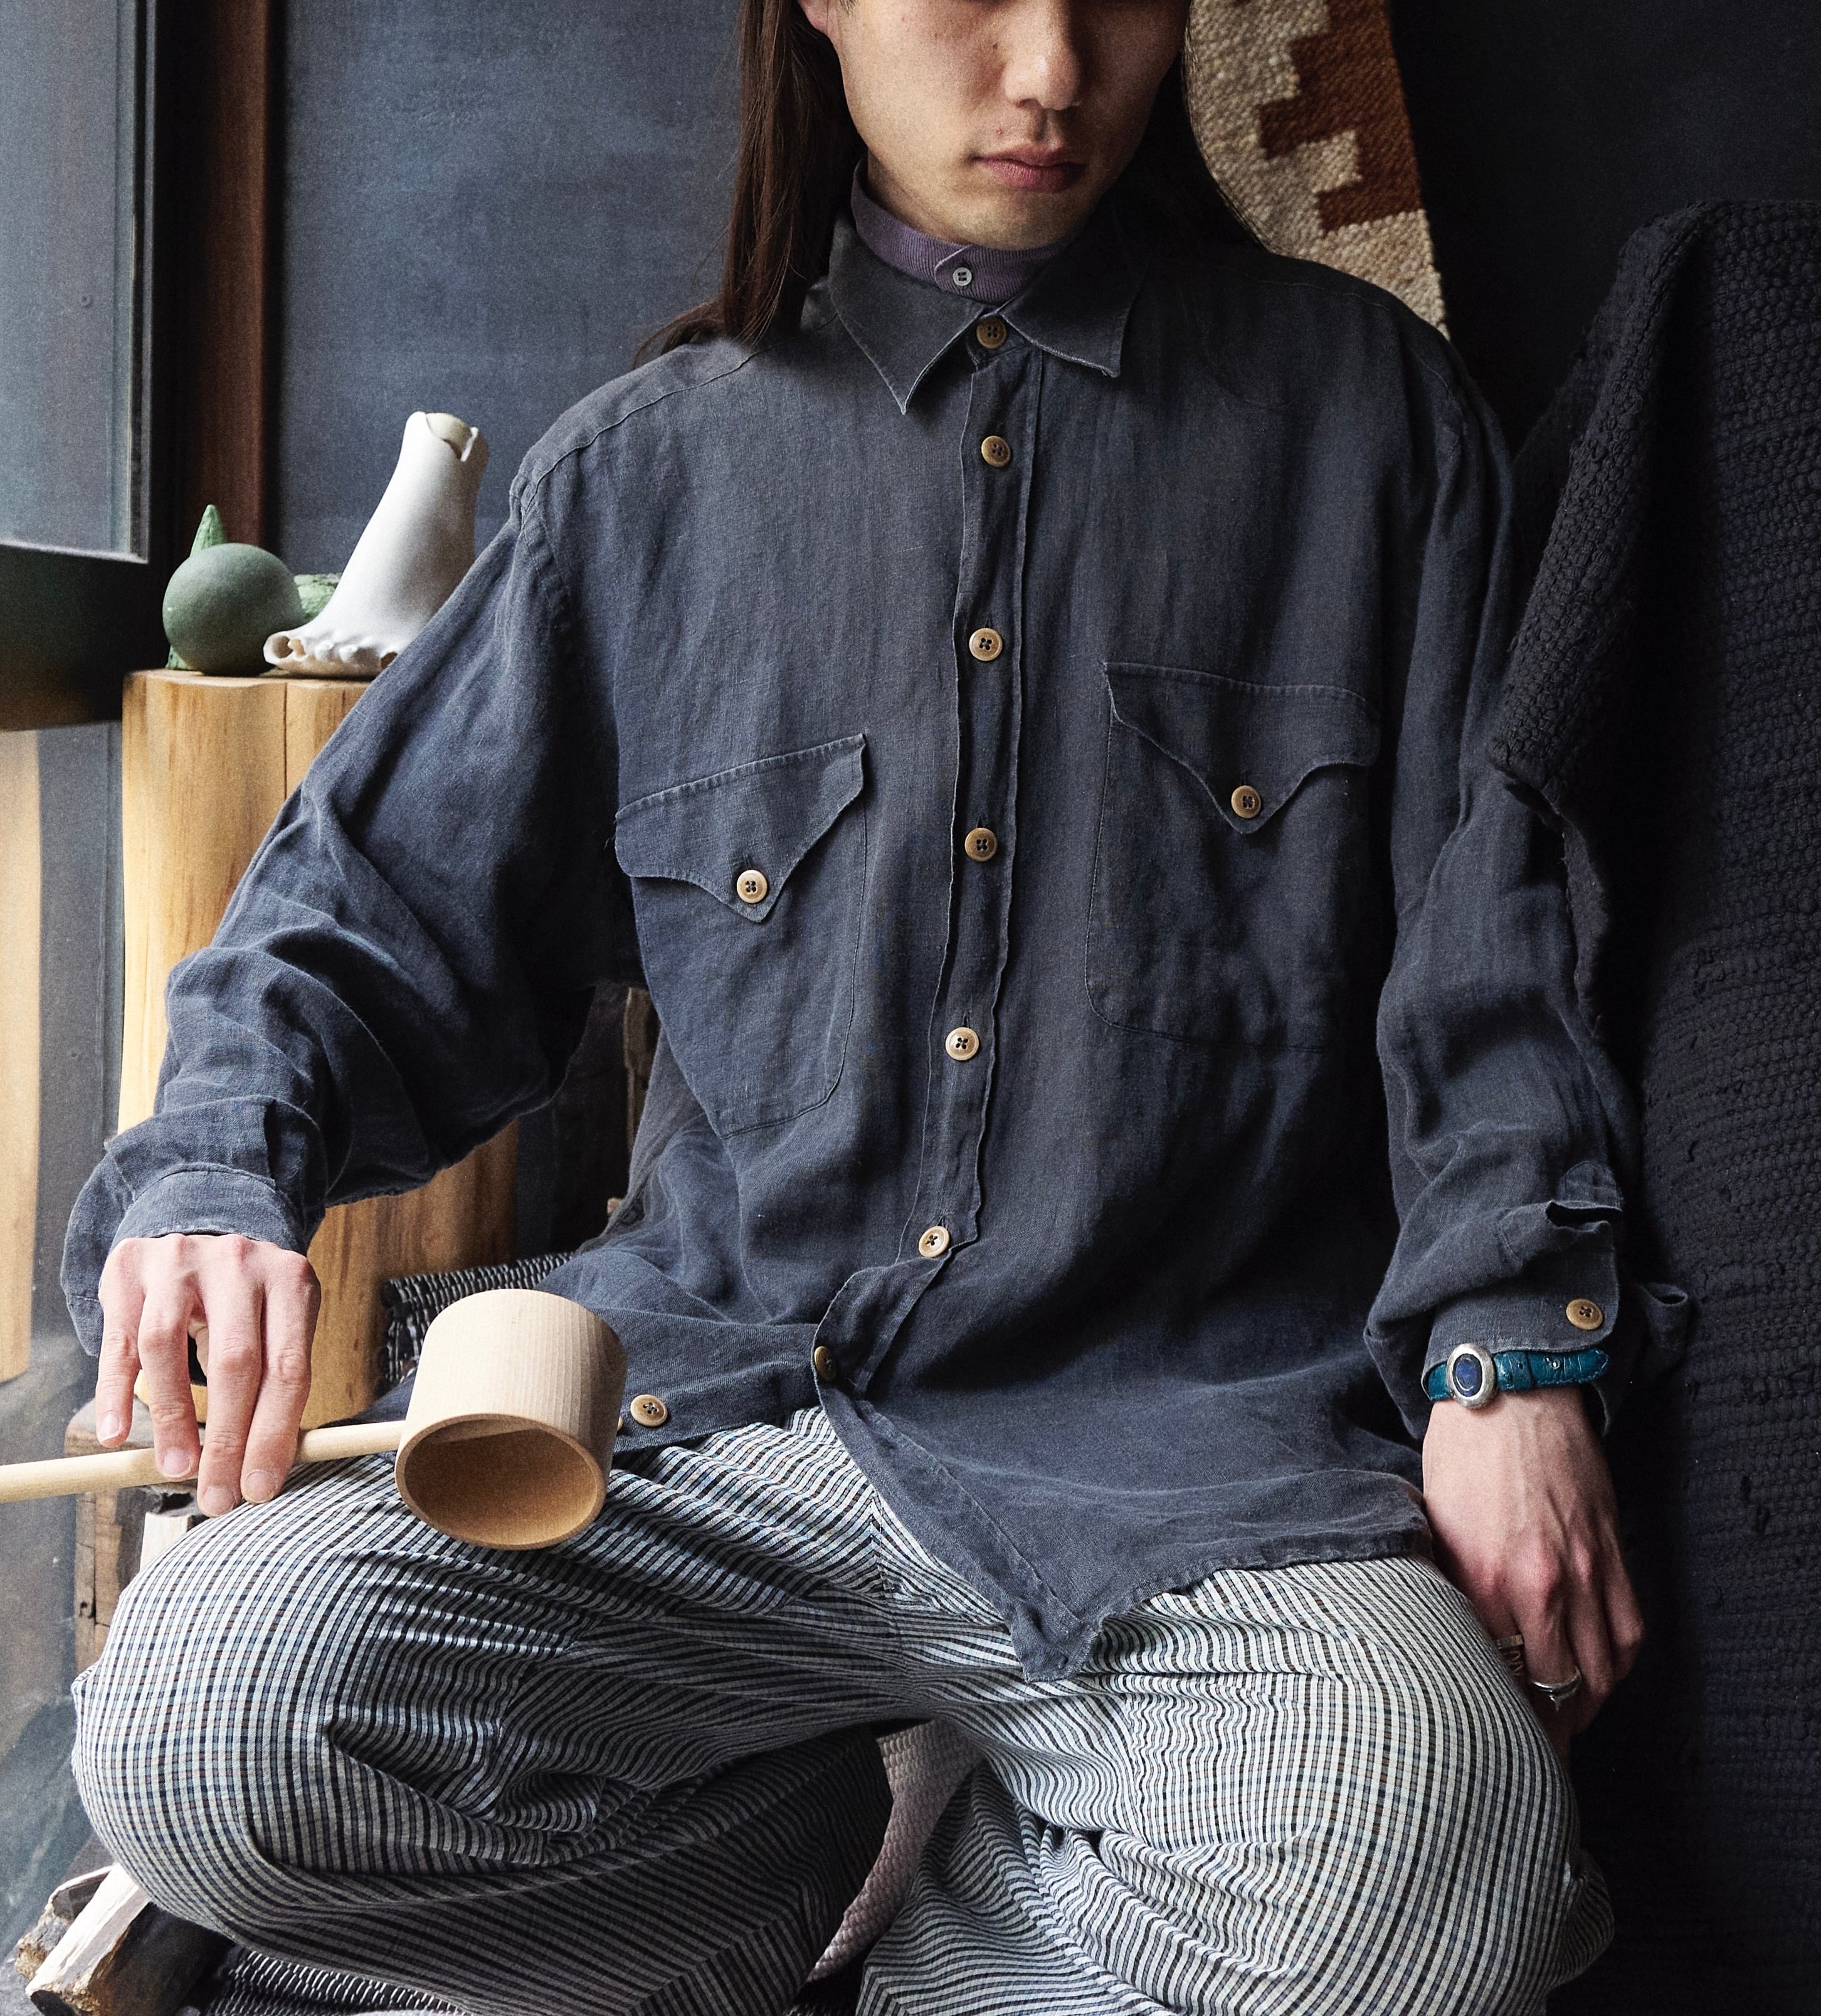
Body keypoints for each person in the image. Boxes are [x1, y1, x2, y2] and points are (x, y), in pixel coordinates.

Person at [65, 3, 1665, 2010]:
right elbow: (363, 919)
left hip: (1199, 1476)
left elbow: (1488, 949)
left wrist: (1511, 1358)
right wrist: (215, 1177)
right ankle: (785, 1875)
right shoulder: (643, 475)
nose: (1051, 69)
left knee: (1436, 1881)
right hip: (707, 1442)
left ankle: (949, 1940)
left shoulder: (1375, 424)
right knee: (198, 1737)